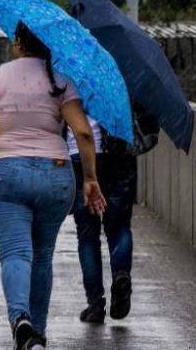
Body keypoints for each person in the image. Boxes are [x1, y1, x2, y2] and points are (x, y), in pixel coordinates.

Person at [0, 22, 106, 350]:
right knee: (42, 255)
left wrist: (3, 118)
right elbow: (83, 132)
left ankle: (20, 320)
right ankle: (36, 335)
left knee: (15, 253)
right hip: (55, 176)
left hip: (5, 174)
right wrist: (90, 179)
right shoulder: (61, 80)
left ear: (19, 42)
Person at [67, 105, 158, 323]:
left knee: (88, 235)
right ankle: (121, 274)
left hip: (78, 154)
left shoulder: (67, 75)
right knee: (119, 227)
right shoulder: (122, 74)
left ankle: (95, 304)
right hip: (117, 153)